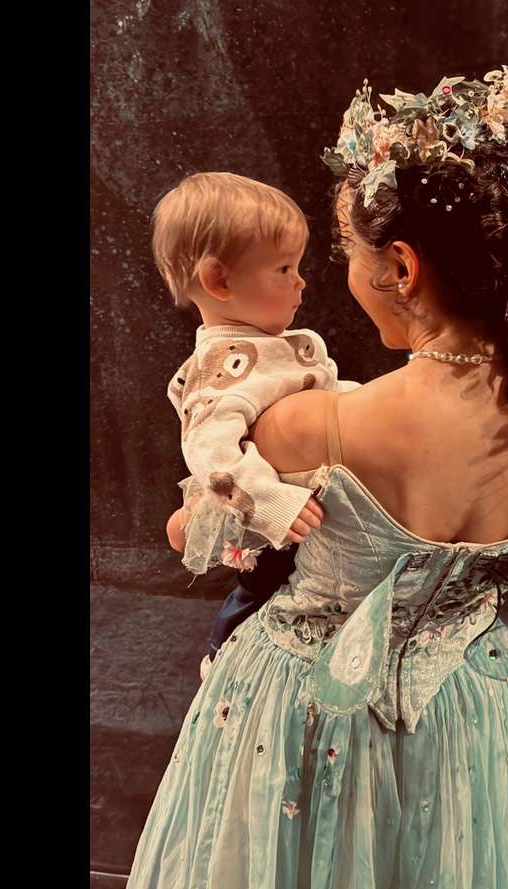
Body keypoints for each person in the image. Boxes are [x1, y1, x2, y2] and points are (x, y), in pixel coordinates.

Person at [103, 66, 508, 889]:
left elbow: (212, 539)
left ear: (401, 268)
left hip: (308, 715)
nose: (333, 273)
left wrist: (188, 519)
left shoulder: (314, 426)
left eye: (337, 251)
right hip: (470, 712)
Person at [152, 172, 360, 666]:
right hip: (270, 518)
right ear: (219, 281)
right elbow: (210, 449)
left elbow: (329, 398)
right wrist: (267, 503)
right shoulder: (220, 367)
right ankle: (226, 663)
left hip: (315, 523)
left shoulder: (274, 347)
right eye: (284, 268)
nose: (301, 281)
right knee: (259, 596)